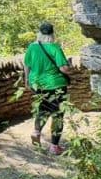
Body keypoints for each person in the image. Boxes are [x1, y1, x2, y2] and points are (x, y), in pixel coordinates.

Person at [23, 21, 72, 155]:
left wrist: (26, 80)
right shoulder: (55, 47)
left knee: (43, 108)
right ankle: (54, 146)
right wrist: (69, 65)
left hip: (37, 84)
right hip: (55, 85)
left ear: (39, 33)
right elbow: (64, 69)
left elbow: (26, 65)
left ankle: (36, 132)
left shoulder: (32, 47)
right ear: (52, 34)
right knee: (58, 114)